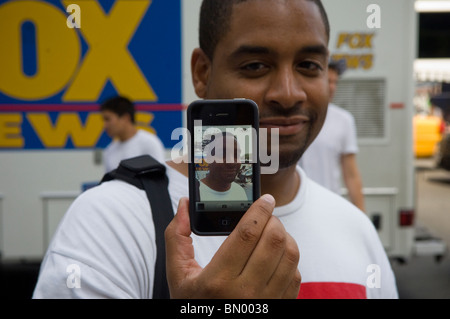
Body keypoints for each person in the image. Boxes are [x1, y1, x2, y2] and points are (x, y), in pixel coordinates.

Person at [33, 0, 397, 299]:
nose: (288, 93)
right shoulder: (110, 224)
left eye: (308, 65)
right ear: (203, 73)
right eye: (255, 65)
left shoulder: (356, 230)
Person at [298, 60, 366, 211]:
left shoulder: (343, 120)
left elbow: (351, 174)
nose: (333, 87)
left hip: (329, 207)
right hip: (295, 207)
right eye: (328, 81)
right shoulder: (293, 118)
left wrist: (362, 216)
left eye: (335, 82)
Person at [100, 96, 166, 172]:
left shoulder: (149, 143)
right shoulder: (110, 150)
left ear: (125, 118)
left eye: (108, 119)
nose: (105, 125)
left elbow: (159, 178)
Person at [199, 132, 248, 201]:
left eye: (236, 154)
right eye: (222, 154)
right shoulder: (194, 193)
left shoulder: (240, 191)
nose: (232, 162)